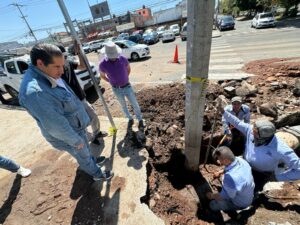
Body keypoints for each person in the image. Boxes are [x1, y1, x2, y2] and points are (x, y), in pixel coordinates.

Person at [18, 43, 113, 181]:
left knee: (86, 151)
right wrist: (75, 141)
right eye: (57, 66)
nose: (62, 71)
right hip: (70, 135)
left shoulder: (48, 74)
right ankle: (97, 174)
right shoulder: (35, 93)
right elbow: (56, 125)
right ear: (40, 63)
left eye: (62, 65)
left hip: (76, 128)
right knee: (83, 155)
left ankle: (92, 162)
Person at [219, 98, 300, 181]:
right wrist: (224, 113)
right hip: (247, 164)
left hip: (263, 175)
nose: (251, 131)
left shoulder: (280, 149)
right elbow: (238, 123)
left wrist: (278, 177)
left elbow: (298, 170)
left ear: (262, 136)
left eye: (255, 131)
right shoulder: (250, 130)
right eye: (254, 127)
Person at [57, 44, 107, 145]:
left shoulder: (68, 62)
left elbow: (83, 66)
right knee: (80, 124)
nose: (64, 58)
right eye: (63, 56)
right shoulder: (54, 70)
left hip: (80, 97)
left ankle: (96, 133)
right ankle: (91, 139)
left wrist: (79, 53)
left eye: (65, 56)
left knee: (93, 115)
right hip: (70, 102)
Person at [99, 41, 144, 129]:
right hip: (116, 89)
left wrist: (125, 78)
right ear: (107, 54)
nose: (114, 58)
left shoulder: (123, 59)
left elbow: (128, 69)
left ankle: (140, 119)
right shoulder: (103, 64)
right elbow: (102, 76)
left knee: (135, 104)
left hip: (127, 86)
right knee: (123, 105)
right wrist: (110, 81)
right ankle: (129, 118)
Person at [206, 146, 255, 212]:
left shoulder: (231, 178)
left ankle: (238, 209)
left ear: (226, 160)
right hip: (247, 195)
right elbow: (231, 167)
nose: (218, 161)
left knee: (212, 205)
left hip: (240, 203)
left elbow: (224, 196)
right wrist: (220, 172)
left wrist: (211, 196)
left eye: (219, 159)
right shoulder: (240, 160)